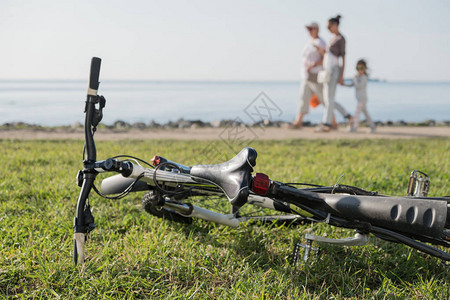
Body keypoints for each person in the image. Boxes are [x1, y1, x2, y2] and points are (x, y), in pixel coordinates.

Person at [290, 22, 349, 129]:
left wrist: (315, 64)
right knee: (304, 98)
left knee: (324, 99)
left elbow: (326, 57)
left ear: (316, 29)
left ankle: (333, 122)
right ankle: (298, 121)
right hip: (306, 75)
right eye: (308, 29)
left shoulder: (321, 42)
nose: (309, 31)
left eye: (311, 29)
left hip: (316, 75)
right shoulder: (309, 42)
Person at [315, 15, 352, 132]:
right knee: (327, 99)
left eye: (329, 26)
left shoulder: (341, 39)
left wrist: (342, 76)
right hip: (327, 70)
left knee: (329, 99)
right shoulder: (332, 39)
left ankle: (327, 124)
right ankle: (348, 116)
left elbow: (343, 58)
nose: (328, 29)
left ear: (335, 25)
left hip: (334, 70)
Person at [343, 59, 376, 133]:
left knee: (357, 113)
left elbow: (359, 86)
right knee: (366, 113)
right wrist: (344, 84)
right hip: (359, 99)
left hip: (362, 99)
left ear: (365, 69)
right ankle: (372, 126)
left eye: (361, 68)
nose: (359, 70)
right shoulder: (357, 77)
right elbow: (352, 85)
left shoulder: (364, 77)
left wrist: (355, 78)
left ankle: (354, 127)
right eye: (358, 68)